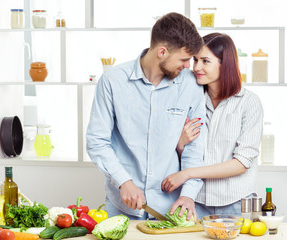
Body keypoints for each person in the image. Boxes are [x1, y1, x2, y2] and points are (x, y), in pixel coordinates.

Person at [86, 12, 206, 221]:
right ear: (162, 52)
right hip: (122, 207)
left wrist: (188, 195)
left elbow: (195, 148)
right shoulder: (112, 82)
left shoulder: (190, 85)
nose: (189, 66)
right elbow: (97, 142)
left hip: (170, 209)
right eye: (184, 59)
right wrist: (123, 181)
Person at [161, 33, 264, 218]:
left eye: (205, 61)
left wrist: (187, 174)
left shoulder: (249, 103)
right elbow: (169, 150)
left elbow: (241, 163)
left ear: (225, 65)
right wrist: (180, 144)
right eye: (195, 60)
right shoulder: (192, 99)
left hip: (236, 203)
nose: (197, 67)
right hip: (194, 202)